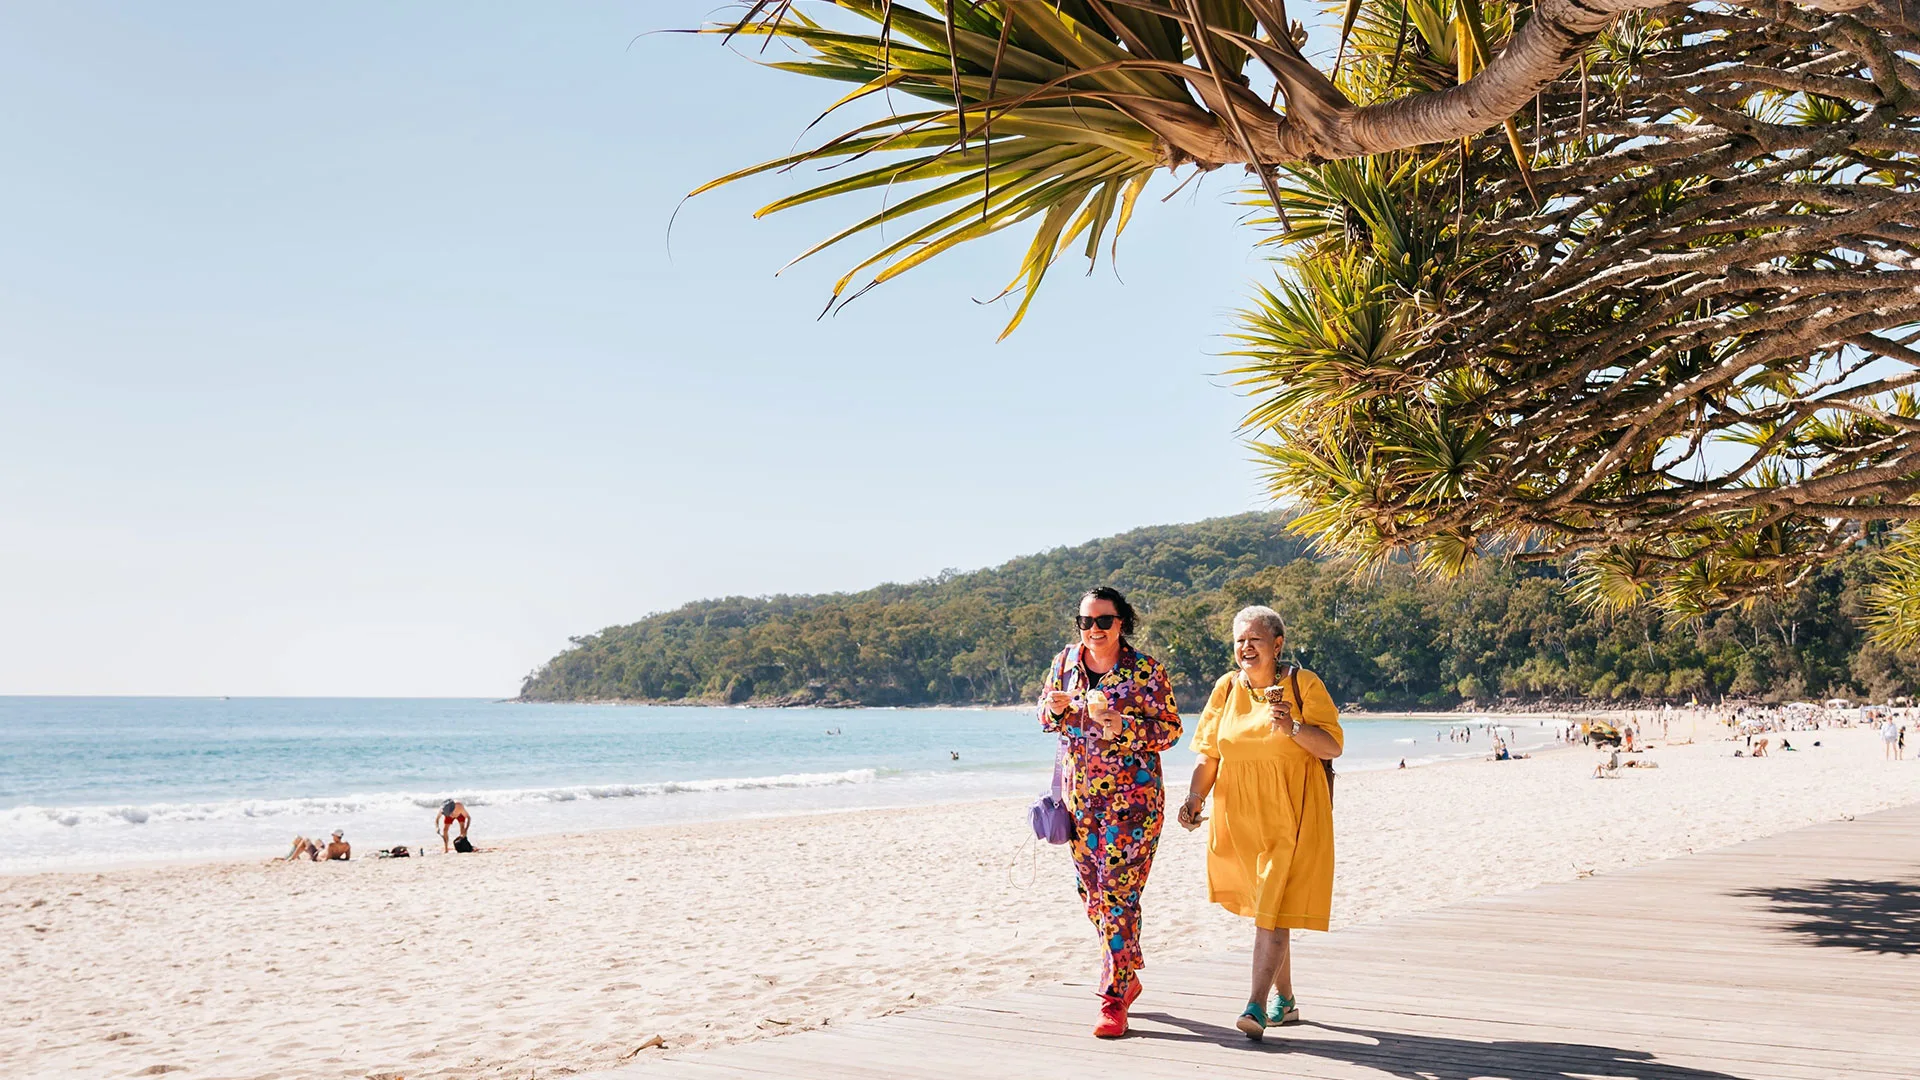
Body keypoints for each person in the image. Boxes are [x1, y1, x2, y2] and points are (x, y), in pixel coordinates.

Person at [1177, 605, 1342, 1040]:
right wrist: (1195, 798)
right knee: (1273, 909)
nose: (1246, 647)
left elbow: (1331, 747)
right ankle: (1284, 1000)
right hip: (1241, 817)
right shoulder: (1227, 688)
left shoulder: (1303, 685)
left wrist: (1291, 726)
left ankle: (1255, 1003)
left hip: (1293, 813)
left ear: (1277, 644)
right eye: (1239, 640)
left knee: (1270, 909)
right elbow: (1209, 753)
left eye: (1255, 639)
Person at [1038, 587, 1181, 1039]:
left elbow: (1171, 730)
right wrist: (1055, 709)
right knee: (1093, 895)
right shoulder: (1065, 664)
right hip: (1079, 802)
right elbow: (1045, 718)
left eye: (1104, 621)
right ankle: (1128, 970)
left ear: (1122, 622)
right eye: (1086, 621)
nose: (1094, 630)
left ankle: (1113, 998)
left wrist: (1126, 727)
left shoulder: (1144, 671)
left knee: (1118, 895)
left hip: (1132, 805)